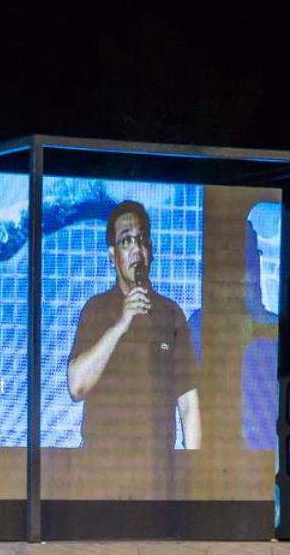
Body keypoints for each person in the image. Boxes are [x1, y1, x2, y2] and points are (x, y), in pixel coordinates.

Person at [66, 201, 200, 491]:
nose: (136, 249)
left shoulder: (171, 313)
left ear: (150, 250)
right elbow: (76, 387)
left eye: (142, 240)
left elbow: (189, 402)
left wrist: (195, 475)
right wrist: (121, 324)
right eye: (126, 241)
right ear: (112, 255)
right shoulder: (96, 309)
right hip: (101, 475)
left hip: (156, 475)